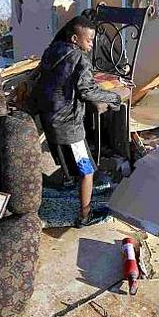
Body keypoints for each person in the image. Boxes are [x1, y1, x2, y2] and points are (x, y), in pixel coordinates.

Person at [32, 14, 121, 227]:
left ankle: (69, 182)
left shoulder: (51, 51)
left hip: (50, 119)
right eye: (89, 41)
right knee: (87, 170)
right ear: (74, 38)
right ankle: (84, 215)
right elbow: (87, 90)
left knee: (70, 166)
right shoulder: (79, 58)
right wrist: (114, 97)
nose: (91, 45)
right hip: (68, 126)